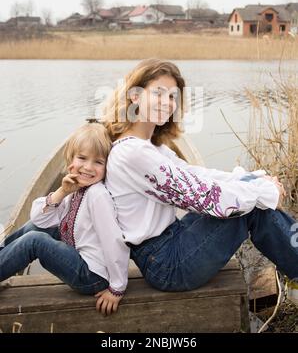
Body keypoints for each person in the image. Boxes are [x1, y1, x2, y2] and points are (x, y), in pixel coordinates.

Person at [102, 58, 298, 302]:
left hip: (172, 241)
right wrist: (266, 193)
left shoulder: (150, 148)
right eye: (159, 93)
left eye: (173, 96)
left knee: (251, 195)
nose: (167, 102)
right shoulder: (133, 153)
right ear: (135, 96)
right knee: (253, 208)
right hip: (166, 265)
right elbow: (204, 197)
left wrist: (256, 180)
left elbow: (199, 176)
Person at [0, 122, 130, 315]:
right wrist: (61, 192)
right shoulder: (75, 189)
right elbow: (39, 219)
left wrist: (117, 287)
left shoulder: (98, 196)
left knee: (35, 241)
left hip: (92, 276)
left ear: (107, 166)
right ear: (71, 161)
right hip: (79, 254)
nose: (88, 167)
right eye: (82, 158)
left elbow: (114, 241)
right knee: (33, 228)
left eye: (98, 162)